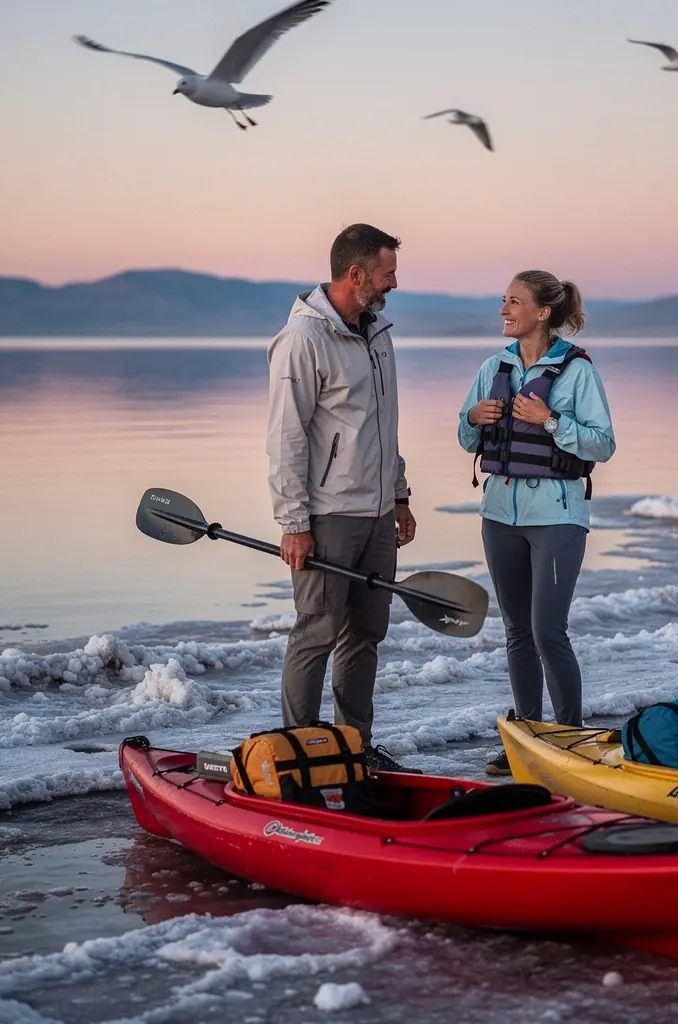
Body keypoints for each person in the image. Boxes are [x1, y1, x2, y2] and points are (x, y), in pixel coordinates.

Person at [266, 223, 420, 774]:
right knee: (316, 633)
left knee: (365, 637)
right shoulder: (303, 340)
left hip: (377, 516)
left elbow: (384, 426)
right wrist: (293, 522)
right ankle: (297, 754)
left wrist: (398, 495)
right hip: (328, 517)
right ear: (357, 275)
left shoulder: (377, 333)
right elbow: (285, 437)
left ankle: (353, 747)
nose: (394, 283)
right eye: (388, 273)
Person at [457, 270, 615, 775]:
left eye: (514, 302)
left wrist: (549, 420)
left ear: (542, 313)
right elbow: (466, 438)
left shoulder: (577, 372)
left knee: (549, 630)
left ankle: (568, 739)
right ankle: (525, 739)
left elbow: (603, 444)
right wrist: (473, 419)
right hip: (499, 516)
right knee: (517, 632)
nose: (504, 310)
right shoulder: (492, 366)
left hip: (558, 518)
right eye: (503, 301)